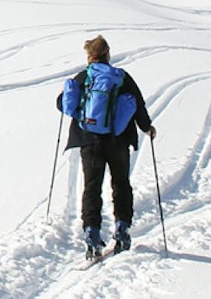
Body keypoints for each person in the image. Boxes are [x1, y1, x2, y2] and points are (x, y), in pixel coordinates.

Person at [56, 35, 156, 258]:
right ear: (108, 54)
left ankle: (91, 233)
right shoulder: (121, 77)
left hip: (89, 141)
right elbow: (138, 104)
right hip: (118, 140)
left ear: (89, 56)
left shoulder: (84, 77)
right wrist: (147, 128)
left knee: (92, 187)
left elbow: (61, 103)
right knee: (121, 183)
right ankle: (122, 228)